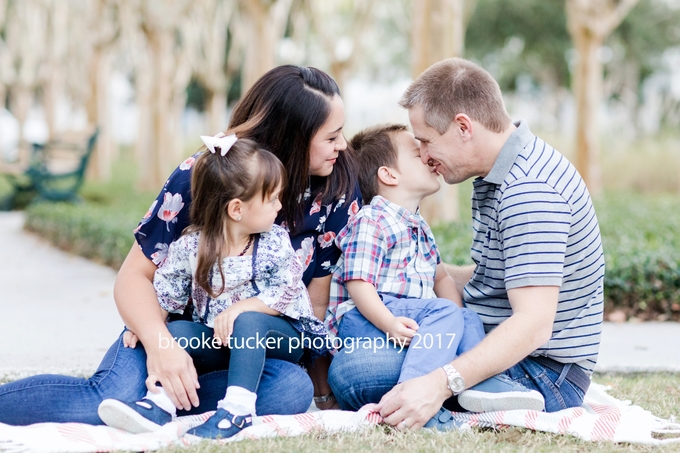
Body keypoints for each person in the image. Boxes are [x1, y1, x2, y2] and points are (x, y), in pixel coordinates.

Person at [0, 65, 360, 425]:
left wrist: (324, 393)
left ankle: (166, 404)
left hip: (253, 354)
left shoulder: (335, 189)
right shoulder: (207, 175)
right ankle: (153, 397)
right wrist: (162, 348)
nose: (342, 145)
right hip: (182, 335)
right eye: (332, 137)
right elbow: (135, 277)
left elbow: (313, 302)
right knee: (109, 398)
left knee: (288, 389)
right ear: (292, 137)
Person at [329, 58, 604, 430]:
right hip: (494, 346)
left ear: (463, 127)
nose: (425, 155)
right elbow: (500, 276)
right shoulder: (496, 171)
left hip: (539, 374)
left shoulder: (530, 191)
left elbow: (533, 324)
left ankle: (457, 405)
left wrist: (440, 383)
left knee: (353, 371)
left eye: (426, 141)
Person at [97, 136, 327, 439]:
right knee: (176, 334)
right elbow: (168, 290)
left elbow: (287, 290)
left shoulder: (274, 242)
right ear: (236, 209)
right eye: (272, 199)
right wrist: (146, 326)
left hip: (277, 337)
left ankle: (238, 410)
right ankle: (161, 404)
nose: (279, 206)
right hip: (223, 342)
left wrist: (242, 307)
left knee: (247, 322)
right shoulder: (192, 247)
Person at [326, 124, 544, 429]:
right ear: (389, 175)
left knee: (468, 318)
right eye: (418, 153)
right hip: (366, 319)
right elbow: (358, 283)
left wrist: (457, 317)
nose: (429, 158)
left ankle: (484, 385)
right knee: (445, 313)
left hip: (409, 315)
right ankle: (414, 396)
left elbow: (441, 278)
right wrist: (388, 322)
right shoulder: (372, 219)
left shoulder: (418, 226)